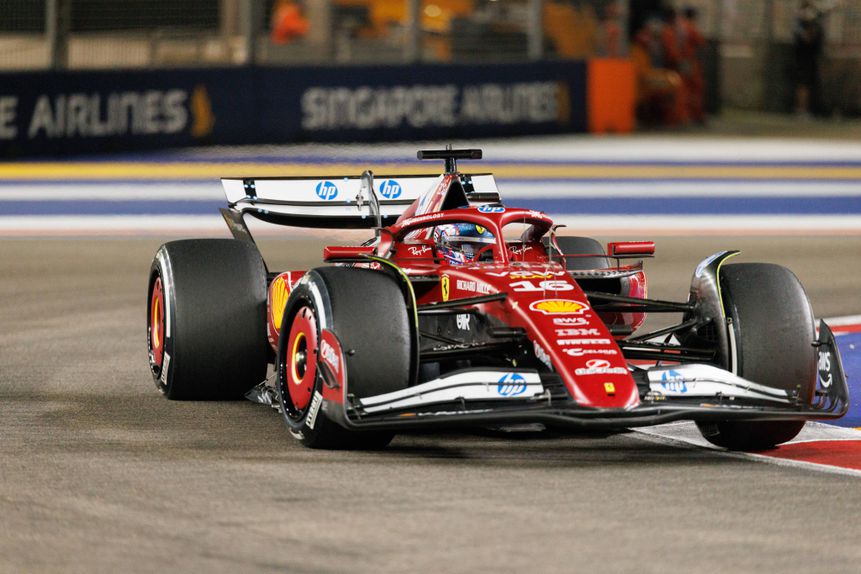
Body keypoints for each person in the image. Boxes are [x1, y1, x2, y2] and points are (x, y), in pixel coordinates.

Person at [793, 1, 824, 117]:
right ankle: (800, 110)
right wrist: (810, 24)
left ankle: (807, 109)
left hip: (811, 59)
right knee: (803, 85)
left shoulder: (810, 23)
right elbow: (806, 39)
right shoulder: (800, 25)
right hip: (802, 59)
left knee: (809, 84)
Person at [680, 7, 706, 124]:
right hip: (689, 61)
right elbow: (700, 41)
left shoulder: (679, 27)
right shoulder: (690, 28)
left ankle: (684, 115)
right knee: (695, 88)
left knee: (684, 88)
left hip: (681, 61)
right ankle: (694, 115)